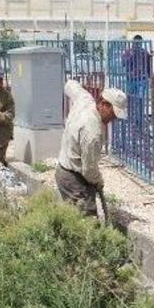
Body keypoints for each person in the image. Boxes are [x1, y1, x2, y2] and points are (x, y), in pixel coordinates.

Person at [56, 80, 127, 217]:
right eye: (113, 113)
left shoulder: (85, 100)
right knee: (87, 220)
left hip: (63, 169)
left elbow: (70, 85)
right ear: (104, 104)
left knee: (72, 216)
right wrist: (99, 181)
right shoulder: (92, 132)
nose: (113, 118)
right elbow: (89, 169)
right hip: (73, 179)